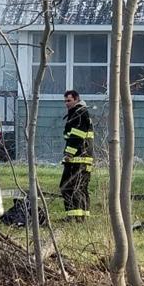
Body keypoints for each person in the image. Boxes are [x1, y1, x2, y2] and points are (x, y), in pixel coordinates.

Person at [60, 89, 93, 221]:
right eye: (65, 101)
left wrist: (68, 153)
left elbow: (76, 136)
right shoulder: (78, 113)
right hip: (82, 158)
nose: (66, 103)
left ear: (77, 99)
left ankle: (74, 217)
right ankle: (80, 217)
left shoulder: (79, 113)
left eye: (69, 100)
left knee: (68, 186)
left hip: (77, 158)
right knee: (80, 187)